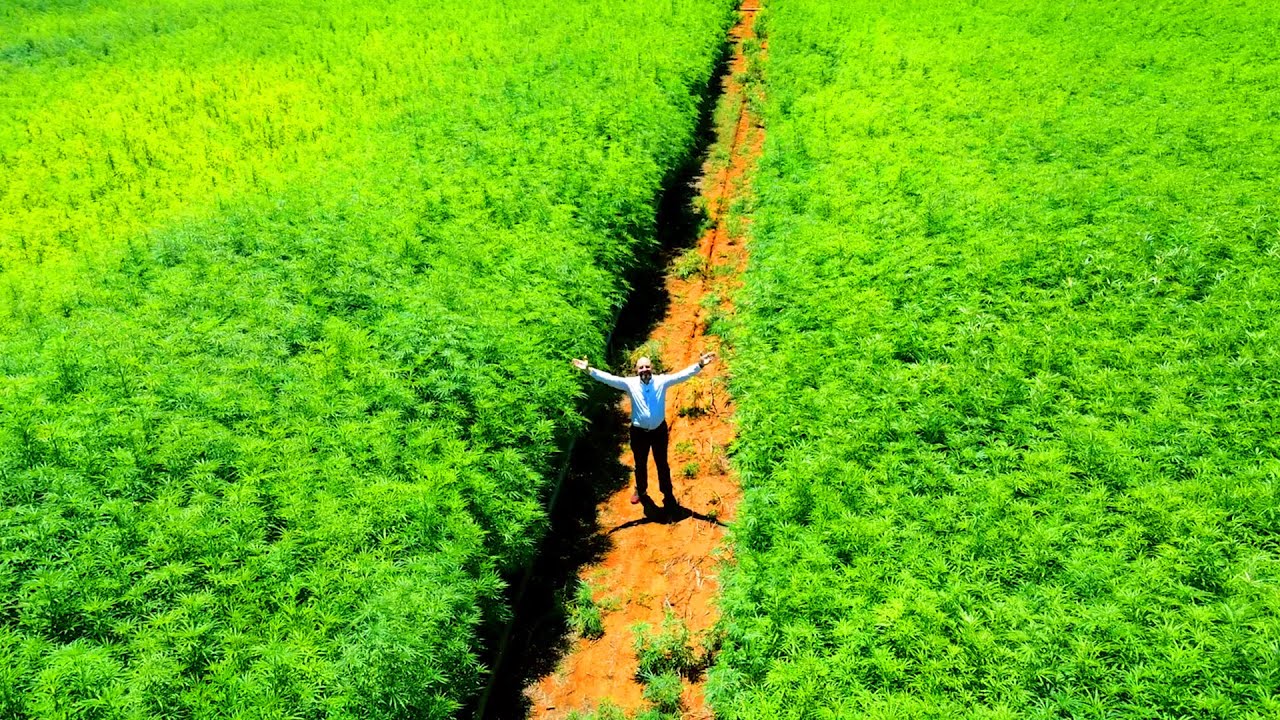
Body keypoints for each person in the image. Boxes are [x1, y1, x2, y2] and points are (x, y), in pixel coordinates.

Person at [572, 352, 716, 511]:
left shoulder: (661, 381)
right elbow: (610, 379)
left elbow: (681, 376)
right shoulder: (630, 384)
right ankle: (641, 490)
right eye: (641, 367)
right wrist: (589, 370)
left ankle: (668, 495)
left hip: (659, 431)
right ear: (636, 370)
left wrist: (700, 365)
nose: (644, 369)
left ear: (652, 368)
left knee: (662, 464)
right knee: (640, 463)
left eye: (647, 366)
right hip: (639, 433)